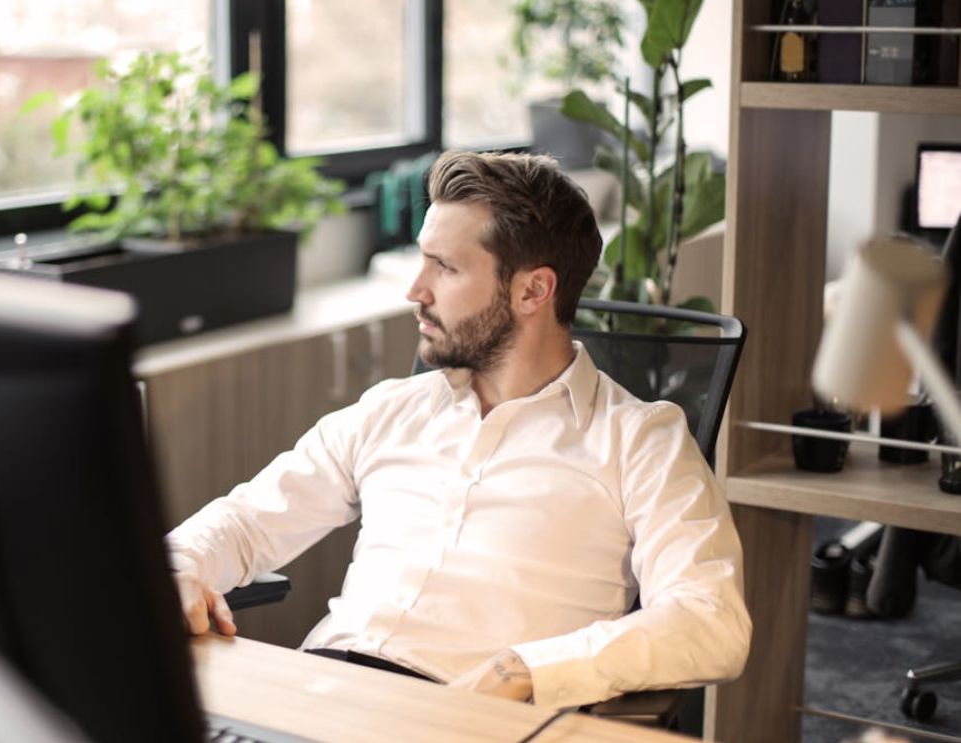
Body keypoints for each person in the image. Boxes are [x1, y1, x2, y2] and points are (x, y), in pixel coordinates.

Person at [166, 150, 751, 709]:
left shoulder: (640, 440)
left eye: (444, 267)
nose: (415, 291)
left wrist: (524, 670)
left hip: (466, 718)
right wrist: (183, 567)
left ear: (533, 290)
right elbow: (245, 522)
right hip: (322, 697)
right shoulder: (392, 410)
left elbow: (709, 618)